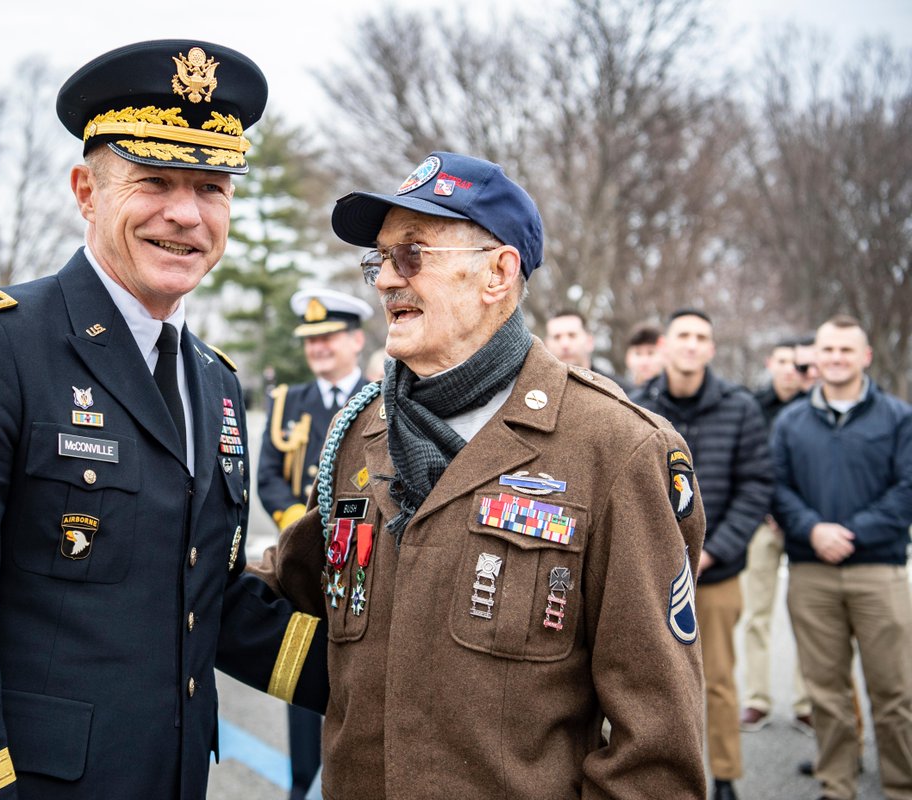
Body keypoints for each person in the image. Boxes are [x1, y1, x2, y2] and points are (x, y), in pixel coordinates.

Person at [0, 40, 327, 800]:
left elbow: (203, 595)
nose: (185, 213)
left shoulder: (215, 382)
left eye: (211, 186)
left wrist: (389, 685)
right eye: (154, 181)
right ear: (86, 190)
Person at [252, 151, 709, 798]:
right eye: (379, 259)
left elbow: (656, 756)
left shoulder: (616, 450)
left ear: (498, 274)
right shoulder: (361, 432)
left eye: (411, 254)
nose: (384, 280)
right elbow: (283, 590)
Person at [772, 315, 912, 800]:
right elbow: (776, 487)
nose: (835, 359)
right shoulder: (790, 423)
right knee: (827, 694)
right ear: (816, 356)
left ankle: (900, 786)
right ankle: (838, 785)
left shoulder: (897, 418)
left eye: (845, 351)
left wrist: (851, 532)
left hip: (879, 571)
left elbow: (907, 489)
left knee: (893, 694)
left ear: (865, 357)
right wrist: (813, 529)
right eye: (827, 350)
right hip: (812, 573)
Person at [634, 309, 773, 800]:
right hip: (652, 572)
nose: (691, 345)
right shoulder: (637, 406)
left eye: (701, 338)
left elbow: (757, 485)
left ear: (711, 349)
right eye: (683, 336)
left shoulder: (740, 407)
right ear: (665, 345)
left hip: (717, 573)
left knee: (716, 681)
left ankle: (728, 777)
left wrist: (715, 549)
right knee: (653, 681)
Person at [257, 286, 372, 800]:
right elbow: (268, 478)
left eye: (328, 338)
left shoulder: (382, 400)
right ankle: (301, 785)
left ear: (356, 340)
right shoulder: (286, 403)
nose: (318, 348)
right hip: (308, 570)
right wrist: (303, 535)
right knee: (301, 682)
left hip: (364, 568)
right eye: (311, 340)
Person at [740, 338, 813, 734]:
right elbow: (750, 462)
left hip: (805, 524)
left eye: (796, 364)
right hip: (763, 523)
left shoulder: (812, 409)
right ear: (771, 363)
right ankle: (757, 699)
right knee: (758, 614)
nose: (789, 370)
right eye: (782, 361)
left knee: (810, 617)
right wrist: (765, 510)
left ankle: (806, 702)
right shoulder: (754, 406)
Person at [543, 309, 630, 389]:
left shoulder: (619, 391)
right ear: (546, 345)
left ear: (589, 342)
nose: (565, 344)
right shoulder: (538, 388)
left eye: (572, 335)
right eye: (557, 337)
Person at [624, 322, 664, 386]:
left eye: (651, 353)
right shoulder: (616, 393)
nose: (644, 362)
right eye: (638, 354)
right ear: (628, 358)